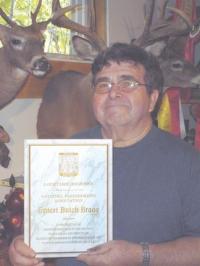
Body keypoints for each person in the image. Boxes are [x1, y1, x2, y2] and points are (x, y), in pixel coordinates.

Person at [9, 43, 200, 266]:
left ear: (152, 99)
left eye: (127, 82)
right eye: (103, 84)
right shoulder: (65, 152)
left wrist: (141, 255)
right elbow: (39, 237)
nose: (113, 92)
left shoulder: (187, 162)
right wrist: (21, 249)